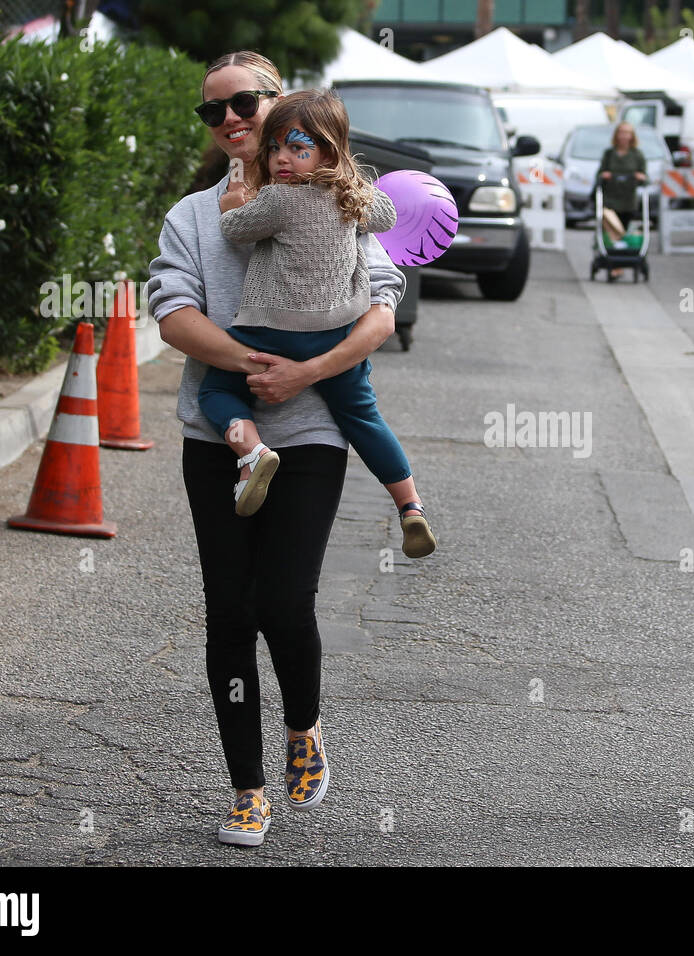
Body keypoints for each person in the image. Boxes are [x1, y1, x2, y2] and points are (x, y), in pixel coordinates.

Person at [146, 51, 407, 847]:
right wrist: (258, 367)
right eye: (212, 110)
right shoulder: (193, 217)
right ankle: (247, 789)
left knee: (284, 601)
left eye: (244, 102)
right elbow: (173, 316)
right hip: (217, 437)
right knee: (229, 614)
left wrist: (310, 373)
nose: (229, 118)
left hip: (314, 432)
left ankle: (303, 727)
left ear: (279, 107)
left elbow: (382, 309)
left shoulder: (335, 195)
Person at [197, 88, 436, 559]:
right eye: (275, 148)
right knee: (362, 416)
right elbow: (386, 215)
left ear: (326, 149)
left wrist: (232, 205)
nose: (283, 159)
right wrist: (352, 183)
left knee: (217, 392)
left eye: (298, 148)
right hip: (335, 333)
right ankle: (409, 504)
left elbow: (235, 230)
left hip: (270, 329)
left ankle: (253, 453)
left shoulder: (280, 199)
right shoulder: (352, 197)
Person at [596, 121, 647, 279]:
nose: (624, 136)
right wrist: (604, 176)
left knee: (623, 232)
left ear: (632, 136)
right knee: (611, 230)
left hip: (628, 200)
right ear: (616, 135)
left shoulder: (637, 155)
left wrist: (640, 177)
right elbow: (599, 174)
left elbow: (645, 177)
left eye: (627, 133)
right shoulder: (609, 154)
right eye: (621, 132)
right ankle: (615, 264)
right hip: (610, 200)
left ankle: (619, 264)